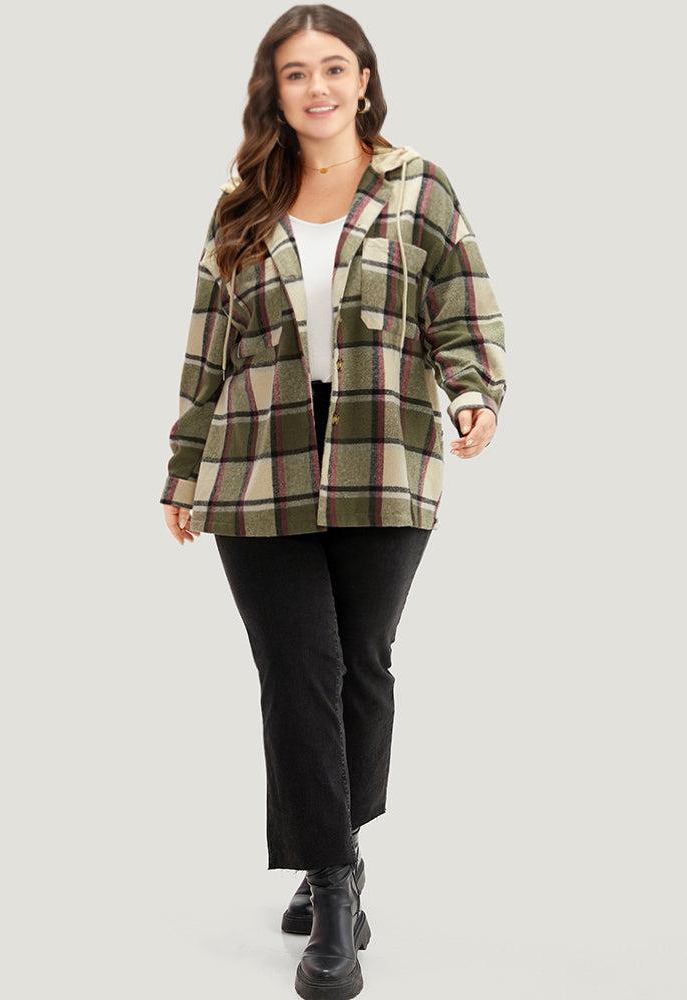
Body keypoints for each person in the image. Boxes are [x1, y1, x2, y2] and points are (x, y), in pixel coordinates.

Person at [160, 6, 507, 997]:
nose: (316, 86)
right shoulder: (242, 204)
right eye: (294, 73)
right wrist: (184, 469)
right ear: (272, 93)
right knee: (297, 667)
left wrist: (475, 391)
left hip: (382, 450)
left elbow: (462, 306)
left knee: (361, 664)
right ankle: (337, 889)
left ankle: (329, 854)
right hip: (255, 459)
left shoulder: (419, 187)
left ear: (363, 80)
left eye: (333, 68)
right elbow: (207, 348)